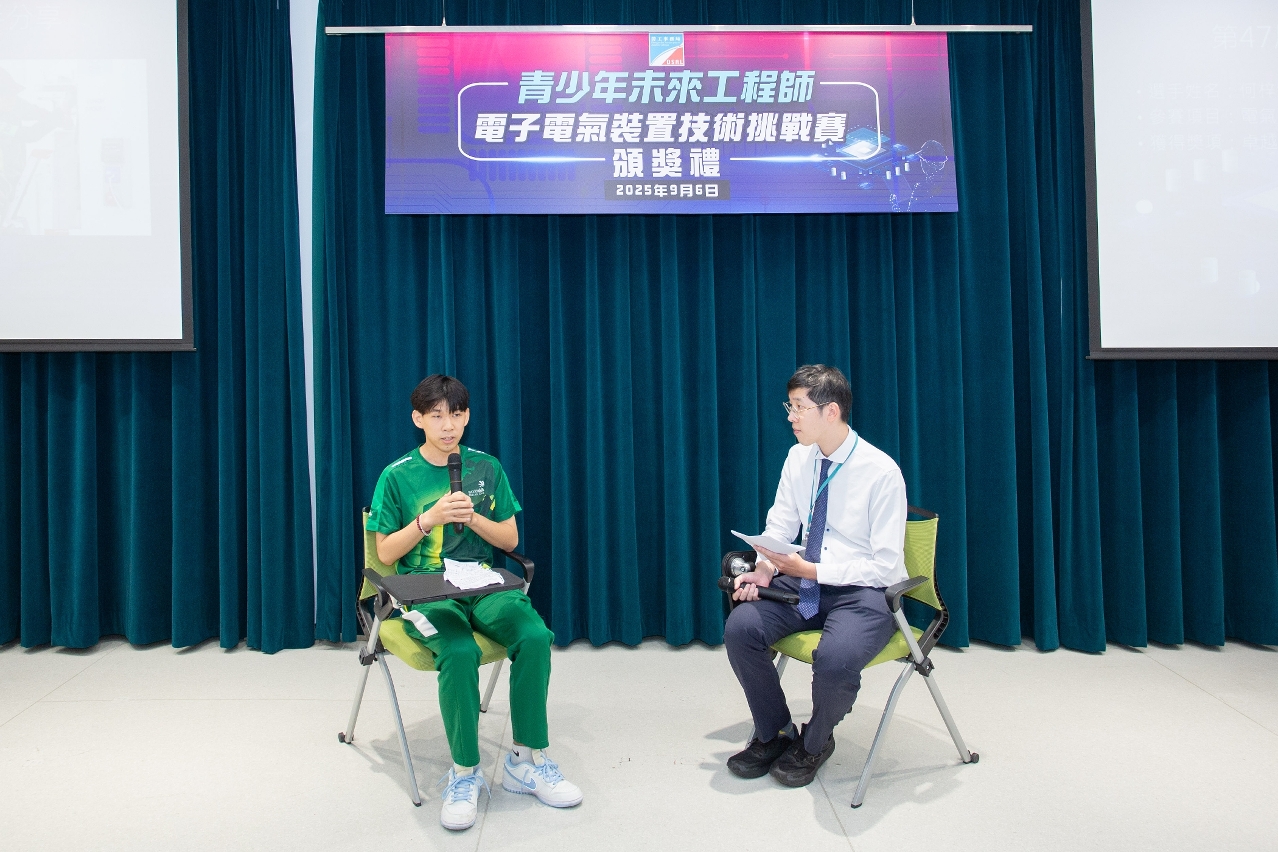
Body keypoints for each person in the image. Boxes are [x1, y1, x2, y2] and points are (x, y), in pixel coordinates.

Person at [367, 374, 582, 830]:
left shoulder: (486, 467)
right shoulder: (397, 474)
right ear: (418, 419)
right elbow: (384, 554)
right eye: (437, 416)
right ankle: (464, 772)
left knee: (534, 635)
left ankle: (526, 759)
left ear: (467, 417)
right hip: (425, 590)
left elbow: (510, 539)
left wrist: (473, 518)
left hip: (480, 582)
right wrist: (429, 518)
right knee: (460, 650)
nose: (448, 425)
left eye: (457, 414)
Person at [724, 364, 908, 787]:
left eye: (799, 407)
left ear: (832, 411)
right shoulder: (798, 457)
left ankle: (815, 742)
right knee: (742, 627)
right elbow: (780, 525)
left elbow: (885, 565)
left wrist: (813, 569)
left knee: (836, 659)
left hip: (863, 592)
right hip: (804, 581)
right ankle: (775, 733)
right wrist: (765, 567)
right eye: (789, 406)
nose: (791, 416)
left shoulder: (880, 472)